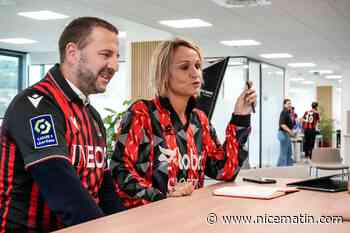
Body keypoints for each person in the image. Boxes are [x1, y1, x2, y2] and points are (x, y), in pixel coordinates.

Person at [0, 17, 125, 232]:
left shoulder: (92, 116)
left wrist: (129, 224)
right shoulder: (35, 105)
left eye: (116, 57)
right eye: (105, 54)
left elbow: (104, 188)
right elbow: (61, 186)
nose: (114, 66)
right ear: (72, 53)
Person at [110, 38, 256, 208]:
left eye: (198, 66)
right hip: (149, 219)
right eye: (184, 67)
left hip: (189, 215)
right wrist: (162, 198)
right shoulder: (142, 113)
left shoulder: (200, 120)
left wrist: (240, 116)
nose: (195, 73)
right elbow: (120, 172)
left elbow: (224, 170)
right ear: (164, 74)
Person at [277, 99, 295, 166]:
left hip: (286, 134)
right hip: (283, 134)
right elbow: (282, 124)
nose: (290, 105)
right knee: (284, 153)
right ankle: (281, 170)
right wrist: (290, 131)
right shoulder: (284, 112)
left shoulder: (287, 113)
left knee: (289, 152)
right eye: (288, 103)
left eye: (290, 103)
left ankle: (289, 168)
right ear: (284, 105)